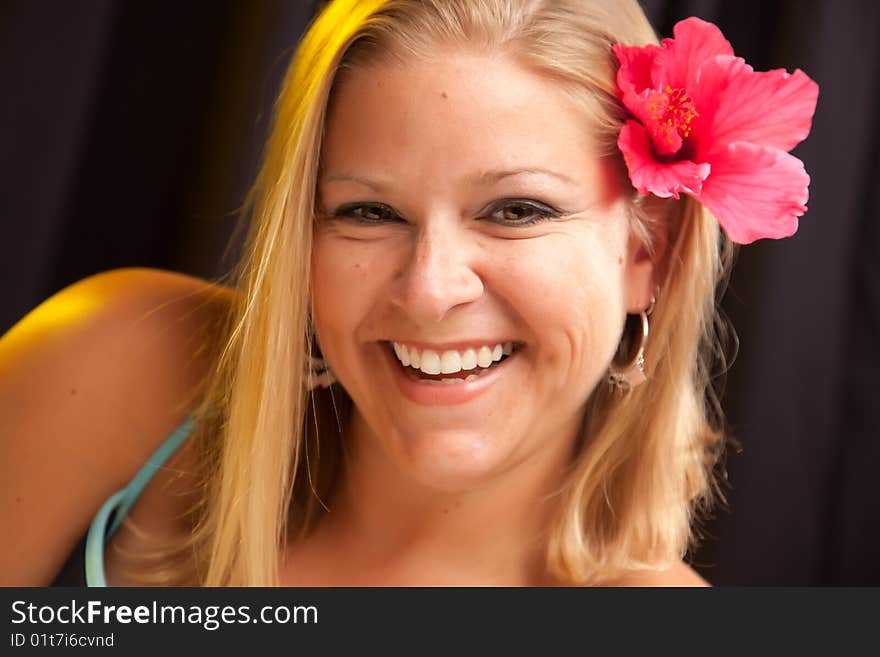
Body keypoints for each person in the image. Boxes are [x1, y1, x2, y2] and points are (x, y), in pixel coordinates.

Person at [0, 0, 817, 587]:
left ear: (652, 252)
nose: (429, 290)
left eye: (515, 210)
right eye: (368, 212)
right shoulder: (117, 361)